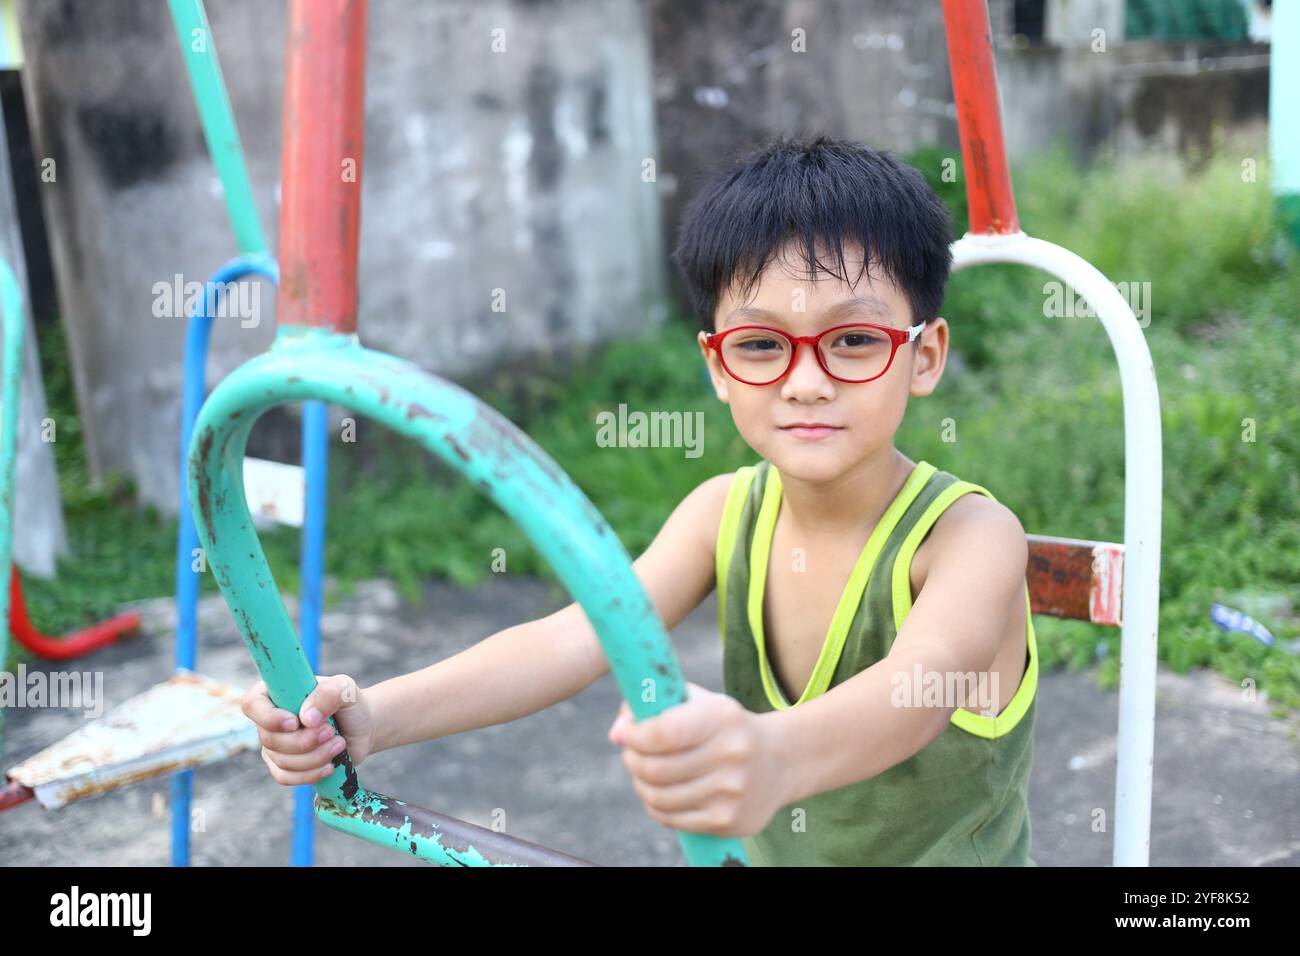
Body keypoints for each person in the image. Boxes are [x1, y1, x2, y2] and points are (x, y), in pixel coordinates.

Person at [241, 134, 1038, 866]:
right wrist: (378, 714)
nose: (805, 381)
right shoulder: (724, 512)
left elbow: (915, 692)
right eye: (761, 344)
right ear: (719, 367)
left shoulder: (970, 538)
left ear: (925, 355)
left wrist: (773, 757)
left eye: (854, 340)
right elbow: (574, 639)